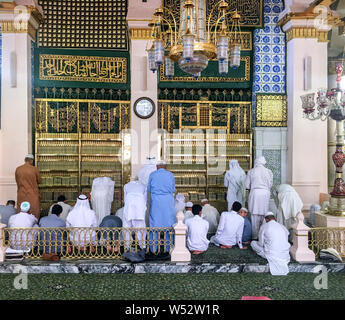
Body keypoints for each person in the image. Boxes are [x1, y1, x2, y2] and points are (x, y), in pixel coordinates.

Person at [148, 161, 175, 254]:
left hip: (156, 202)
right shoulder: (170, 175)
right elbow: (173, 189)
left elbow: (149, 189)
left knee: (154, 225)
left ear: (157, 166)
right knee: (169, 225)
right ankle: (169, 249)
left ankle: (153, 249)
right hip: (168, 202)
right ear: (165, 166)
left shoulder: (152, 174)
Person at [246, 156, 273, 240]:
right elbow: (270, 185)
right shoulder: (269, 171)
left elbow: (247, 185)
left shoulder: (251, 172)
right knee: (264, 215)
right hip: (265, 193)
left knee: (254, 216)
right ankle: (263, 237)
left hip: (255, 194)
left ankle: (255, 236)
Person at [123, 178, 147, 251]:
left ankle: (127, 247)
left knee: (126, 228)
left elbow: (125, 199)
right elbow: (145, 200)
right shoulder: (143, 186)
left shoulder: (126, 186)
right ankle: (143, 248)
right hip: (139, 209)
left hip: (128, 208)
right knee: (141, 228)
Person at [15, 154, 41, 220]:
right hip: (32, 194)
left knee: (21, 210)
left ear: (25, 160)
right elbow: (39, 181)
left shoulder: (18, 169)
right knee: (34, 210)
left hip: (21, 194)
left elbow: (17, 181)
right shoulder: (34, 169)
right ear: (31, 161)